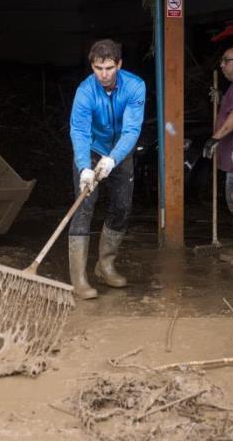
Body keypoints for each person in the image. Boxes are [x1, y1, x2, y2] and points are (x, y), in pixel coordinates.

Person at [68, 39, 146, 300]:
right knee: (84, 206)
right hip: (90, 149)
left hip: (120, 151)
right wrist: (84, 168)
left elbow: (132, 129)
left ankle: (105, 265)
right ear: (92, 66)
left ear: (119, 65)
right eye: (98, 68)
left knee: (122, 206)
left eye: (109, 68)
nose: (103, 74)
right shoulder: (85, 91)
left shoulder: (135, 86)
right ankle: (79, 278)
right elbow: (79, 130)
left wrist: (113, 159)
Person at [202, 46, 233, 262]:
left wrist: (215, 138)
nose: (222, 65)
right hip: (231, 155)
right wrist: (220, 98)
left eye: (226, 60)